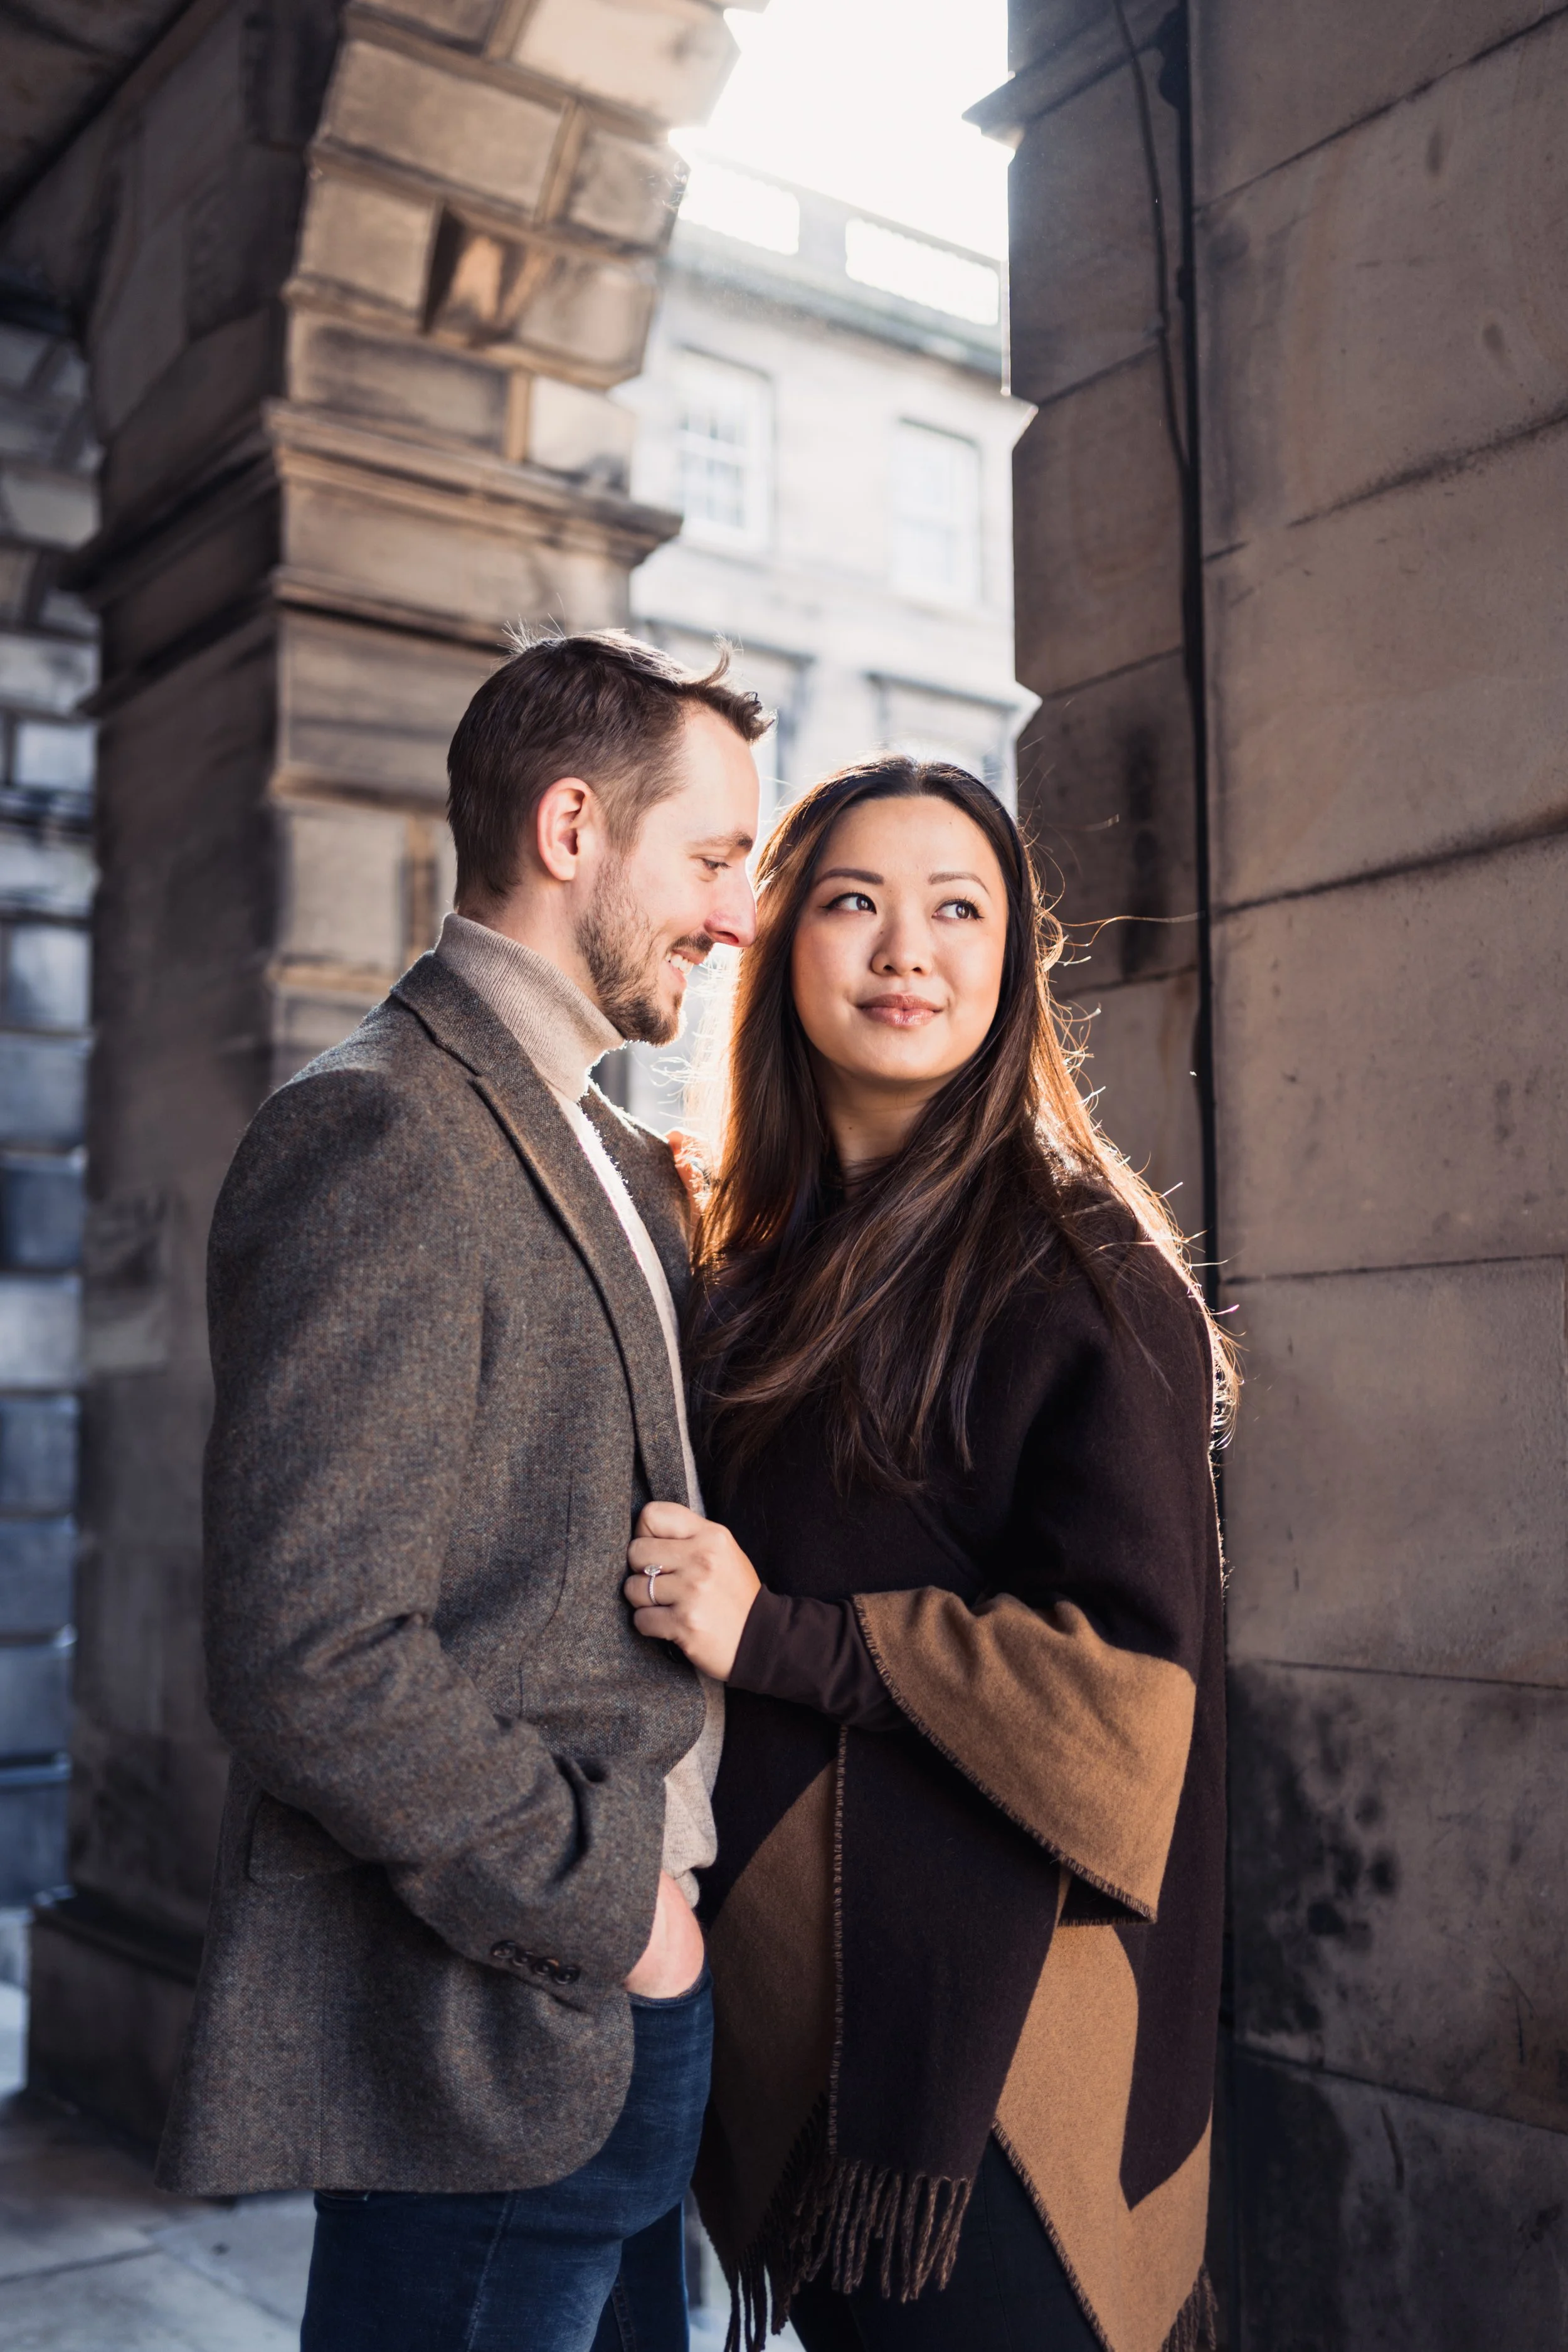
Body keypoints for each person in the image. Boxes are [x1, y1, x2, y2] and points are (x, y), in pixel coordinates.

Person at [154, 632, 768, 2352]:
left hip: (623, 2005)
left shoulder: (609, 1145)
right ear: (572, 828)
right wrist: (612, 1905)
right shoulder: (378, 1132)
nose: (736, 916)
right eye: (712, 859)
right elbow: (307, 1649)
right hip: (506, 2012)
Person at [621, 759, 1231, 2352]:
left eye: (957, 909)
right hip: (776, 2013)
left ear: (1011, 963)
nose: (908, 950)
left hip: (987, 2060)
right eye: (852, 902)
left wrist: (783, 1639)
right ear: (773, 942)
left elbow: (1127, 1706)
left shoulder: (1083, 1274)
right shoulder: (739, 1260)